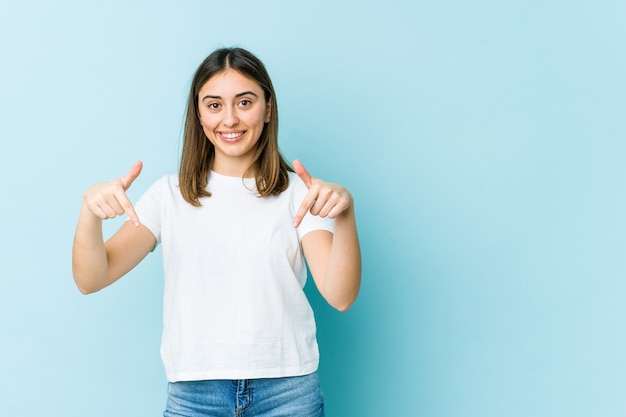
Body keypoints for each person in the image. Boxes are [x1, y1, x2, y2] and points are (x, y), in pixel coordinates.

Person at [72, 47, 361, 417]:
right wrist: (89, 212)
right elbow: (91, 278)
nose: (229, 119)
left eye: (244, 102)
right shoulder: (169, 195)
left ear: (268, 108)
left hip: (287, 394)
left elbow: (340, 296)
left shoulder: (299, 194)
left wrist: (346, 215)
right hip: (195, 397)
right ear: (198, 113)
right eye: (214, 105)